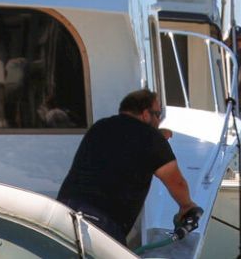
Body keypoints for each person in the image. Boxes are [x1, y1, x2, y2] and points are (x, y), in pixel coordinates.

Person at [57, 89, 201, 246]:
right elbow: (176, 182)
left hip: (63, 211)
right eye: (158, 115)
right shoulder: (151, 139)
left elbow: (122, 143)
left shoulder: (100, 127)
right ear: (146, 114)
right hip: (100, 223)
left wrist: (156, 136)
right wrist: (186, 206)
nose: (159, 121)